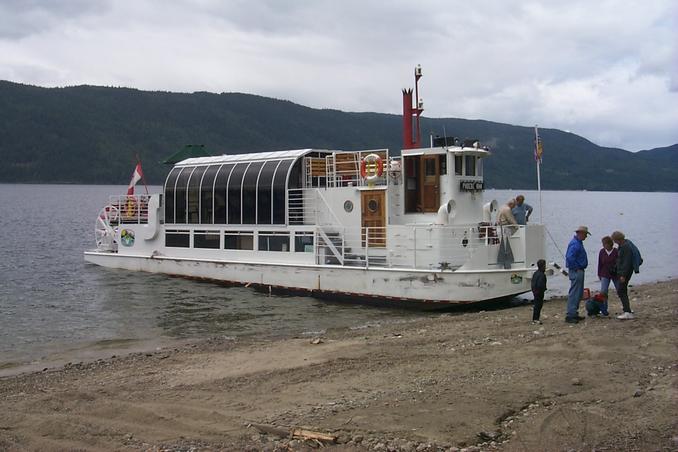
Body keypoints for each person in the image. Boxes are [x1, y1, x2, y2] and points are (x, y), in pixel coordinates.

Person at [565, 225, 590, 323]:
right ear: (580, 233)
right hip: (576, 271)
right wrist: (576, 267)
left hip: (578, 270)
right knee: (575, 292)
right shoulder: (575, 244)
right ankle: (571, 314)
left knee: (578, 293)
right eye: (585, 234)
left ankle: (574, 312)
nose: (586, 237)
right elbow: (570, 258)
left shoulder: (577, 243)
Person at [611, 230, 635, 319]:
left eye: (614, 240)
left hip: (625, 272)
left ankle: (627, 312)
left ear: (617, 239)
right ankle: (627, 309)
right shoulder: (624, 245)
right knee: (622, 290)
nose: (614, 242)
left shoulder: (625, 247)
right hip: (624, 272)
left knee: (621, 290)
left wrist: (623, 275)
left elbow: (626, 263)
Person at [597, 236, 619, 316]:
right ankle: (604, 309)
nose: (603, 245)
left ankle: (626, 307)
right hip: (604, 273)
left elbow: (619, 263)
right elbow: (600, 263)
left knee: (620, 290)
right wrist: (599, 273)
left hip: (615, 274)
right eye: (603, 244)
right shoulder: (602, 252)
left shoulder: (616, 251)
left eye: (605, 244)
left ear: (610, 244)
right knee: (603, 292)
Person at [531, 259, 547, 324]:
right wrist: (543, 289)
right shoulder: (541, 275)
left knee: (536, 305)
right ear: (542, 266)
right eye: (544, 266)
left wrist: (533, 290)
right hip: (539, 292)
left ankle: (535, 318)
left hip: (535, 291)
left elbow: (532, 282)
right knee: (538, 305)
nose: (545, 267)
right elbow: (540, 284)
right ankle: (536, 319)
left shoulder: (535, 273)